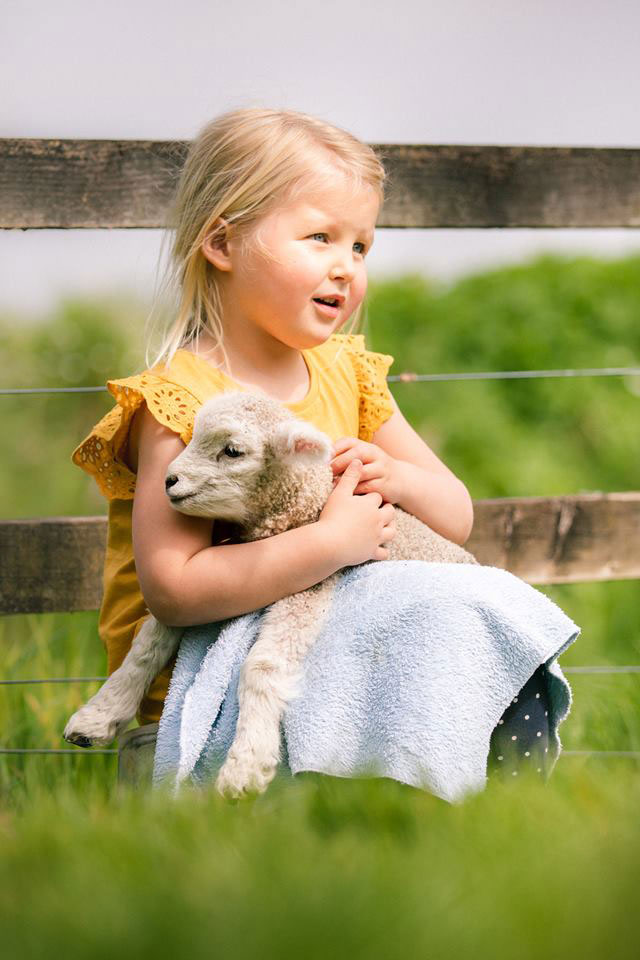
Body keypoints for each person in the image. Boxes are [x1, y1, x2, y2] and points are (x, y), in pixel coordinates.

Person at [72, 106, 552, 782]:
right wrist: (329, 543)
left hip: (329, 690)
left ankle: (476, 792)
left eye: (360, 247)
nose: (346, 268)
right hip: (191, 713)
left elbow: (455, 515)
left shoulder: (347, 375)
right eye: (320, 237)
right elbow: (174, 591)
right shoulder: (181, 401)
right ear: (223, 244)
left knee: (468, 605)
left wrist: (397, 478)